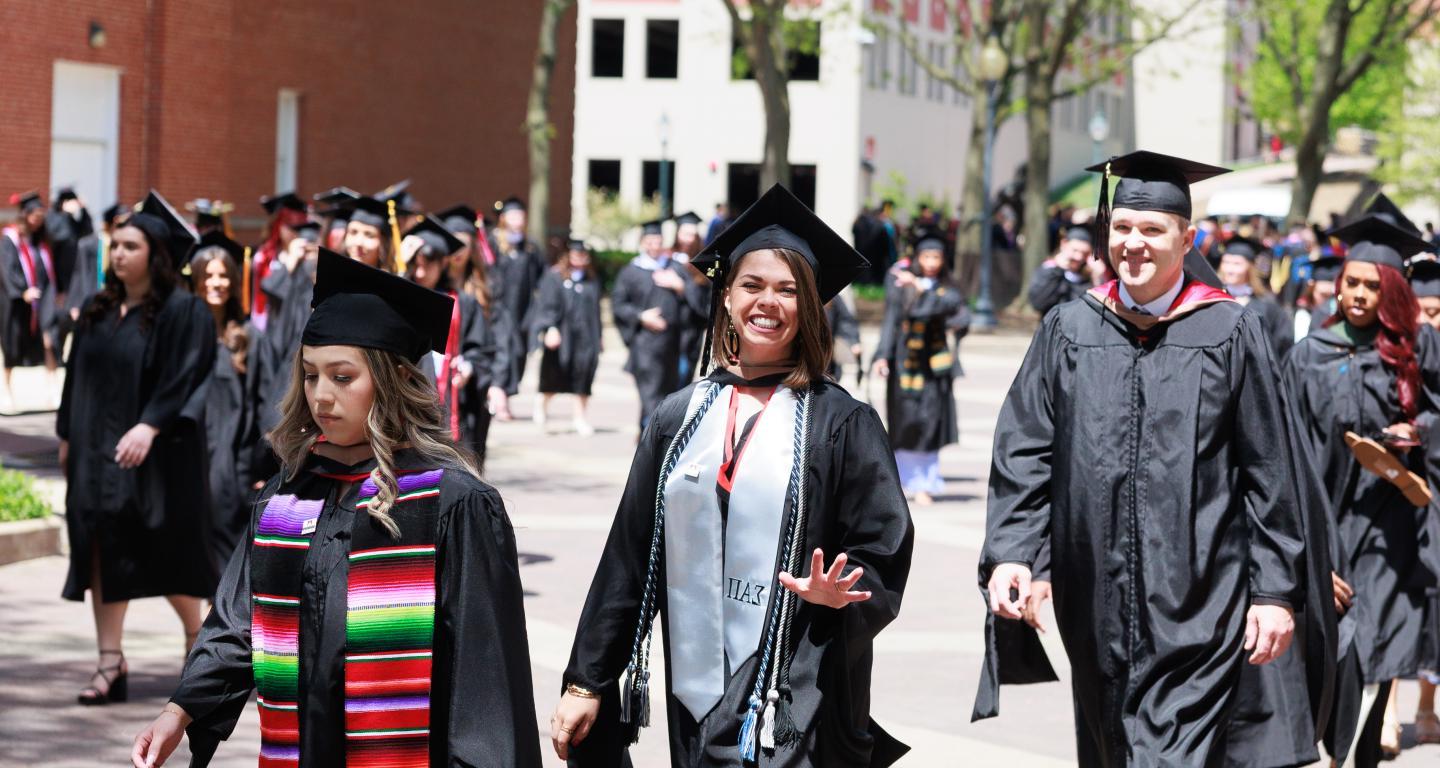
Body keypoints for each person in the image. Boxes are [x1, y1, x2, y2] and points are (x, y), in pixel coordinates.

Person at [977, 151, 1326, 766]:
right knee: (1110, 747)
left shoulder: (1227, 331)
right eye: (1121, 228)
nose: (1133, 244)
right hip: (1094, 603)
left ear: (1186, 239)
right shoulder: (1070, 328)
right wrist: (1015, 553)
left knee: (1170, 752)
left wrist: (1273, 590)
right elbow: (1025, 449)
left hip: (1200, 599)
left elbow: (1270, 469)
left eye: (1152, 230)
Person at [130, 248, 541, 768]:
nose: (321, 396)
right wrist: (179, 711)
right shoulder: (290, 494)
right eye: (311, 375)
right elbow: (238, 622)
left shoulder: (452, 504)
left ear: (391, 383)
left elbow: (486, 681)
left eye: (343, 377)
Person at [552, 183, 913, 767]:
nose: (767, 302)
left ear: (810, 305)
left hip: (796, 687)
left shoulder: (842, 423)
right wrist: (586, 680)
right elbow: (630, 553)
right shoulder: (680, 415)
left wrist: (840, 593)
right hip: (695, 684)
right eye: (752, 285)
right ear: (725, 296)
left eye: (788, 289)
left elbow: (882, 548)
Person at [1284, 215, 1440, 767]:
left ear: (1392, 291)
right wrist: (1308, 555)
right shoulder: (1308, 357)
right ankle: (1333, 752)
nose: (1357, 295)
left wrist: (1419, 431)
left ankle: (1359, 754)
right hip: (1325, 527)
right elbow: (1283, 457)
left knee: (1377, 650)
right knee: (1336, 655)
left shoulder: (1415, 354)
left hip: (1392, 530)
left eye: (1372, 286)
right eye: (1351, 282)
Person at [57, 191, 216, 705]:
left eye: (130, 245)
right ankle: (109, 662)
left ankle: (197, 636)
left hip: (156, 459)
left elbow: (187, 374)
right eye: (115, 245)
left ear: (156, 254)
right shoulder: (98, 312)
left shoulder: (182, 311)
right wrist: (65, 435)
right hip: (94, 453)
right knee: (101, 548)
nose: (118, 254)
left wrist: (151, 425)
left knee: (160, 550)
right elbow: (74, 380)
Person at [403, 215, 510, 468]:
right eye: (415, 265)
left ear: (442, 263)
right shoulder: (404, 296)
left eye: (427, 265)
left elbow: (481, 349)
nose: (420, 273)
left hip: (453, 398)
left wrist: (469, 367)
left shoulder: (463, 302)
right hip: (411, 395)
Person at [185, 232, 259, 571]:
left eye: (224, 274)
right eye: (209, 275)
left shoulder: (247, 336)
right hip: (188, 453)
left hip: (231, 461)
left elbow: (264, 400)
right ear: (196, 278)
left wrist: (261, 464)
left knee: (227, 549)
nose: (217, 282)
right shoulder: (182, 332)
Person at [871, 238, 962, 506]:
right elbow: (891, 320)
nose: (932, 264)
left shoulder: (946, 286)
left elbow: (956, 309)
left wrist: (922, 289)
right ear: (918, 258)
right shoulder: (901, 283)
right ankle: (901, 481)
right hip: (904, 361)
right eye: (927, 258)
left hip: (933, 365)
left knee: (930, 423)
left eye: (937, 258)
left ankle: (925, 483)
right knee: (904, 420)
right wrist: (882, 356)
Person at [612, 219, 705, 429]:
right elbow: (618, 305)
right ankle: (649, 439)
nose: (654, 244)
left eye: (658, 240)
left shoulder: (674, 268)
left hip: (673, 345)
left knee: (669, 396)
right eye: (650, 240)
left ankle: (655, 438)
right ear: (643, 242)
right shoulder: (631, 271)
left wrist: (680, 286)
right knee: (650, 394)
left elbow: (698, 303)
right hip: (645, 346)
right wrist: (641, 316)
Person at [438, 202, 515, 435]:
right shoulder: (435, 284)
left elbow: (502, 335)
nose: (458, 250)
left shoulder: (488, 286)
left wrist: (498, 382)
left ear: (473, 245)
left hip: (478, 381)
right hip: (441, 383)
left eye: (464, 242)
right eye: (453, 243)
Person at [534, 237, 603, 436]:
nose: (580, 257)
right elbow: (546, 305)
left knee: (584, 375)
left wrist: (599, 336)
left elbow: (596, 311)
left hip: (586, 337)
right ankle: (542, 407)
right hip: (562, 335)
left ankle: (579, 418)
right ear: (568, 255)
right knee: (554, 374)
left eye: (584, 254)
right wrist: (550, 328)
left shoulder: (591, 279)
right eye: (576, 254)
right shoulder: (554, 276)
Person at [1, 190, 59, 408]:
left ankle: (52, 390)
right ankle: (6, 392)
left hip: (41, 301)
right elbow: (6, 270)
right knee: (11, 346)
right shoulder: (10, 239)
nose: (38, 221)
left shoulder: (41, 241)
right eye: (35, 217)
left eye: (41, 217)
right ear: (25, 215)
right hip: (16, 303)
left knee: (49, 340)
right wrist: (22, 292)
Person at [490, 195, 548, 391]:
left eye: (520, 216)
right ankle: (501, 393)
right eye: (513, 216)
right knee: (503, 348)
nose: (518, 220)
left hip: (523, 310)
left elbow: (543, 277)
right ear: (503, 218)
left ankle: (510, 391)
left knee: (520, 352)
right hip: (499, 307)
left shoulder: (530, 247)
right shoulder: (493, 243)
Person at [1218, 236, 1294, 360]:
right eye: (1226, 262)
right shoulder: (1212, 298)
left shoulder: (1267, 304)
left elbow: (1282, 342)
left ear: (1250, 267)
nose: (1230, 269)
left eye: (1237, 264)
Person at [251, 192, 308, 329]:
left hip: (296, 324)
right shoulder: (263, 257)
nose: (294, 232)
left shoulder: (307, 255)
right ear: (278, 226)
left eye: (299, 226)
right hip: (267, 322)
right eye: (289, 226)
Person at [1026, 225, 1094, 316]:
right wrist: (1058, 271)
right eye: (1075, 250)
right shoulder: (1049, 270)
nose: (1079, 257)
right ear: (1064, 244)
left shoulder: (1087, 276)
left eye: (1085, 253)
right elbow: (1038, 303)